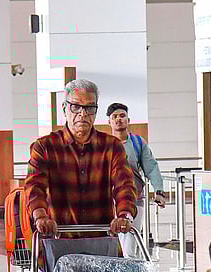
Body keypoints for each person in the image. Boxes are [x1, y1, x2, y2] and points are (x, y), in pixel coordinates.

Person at [25, 79, 138, 244]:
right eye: (76, 107)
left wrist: (124, 215)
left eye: (90, 108)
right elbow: (34, 187)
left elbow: (125, 185)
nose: (83, 114)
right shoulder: (44, 147)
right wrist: (41, 217)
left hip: (102, 242)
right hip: (58, 240)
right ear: (64, 109)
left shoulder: (112, 146)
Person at [106, 102, 167, 259]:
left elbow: (151, 167)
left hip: (135, 200)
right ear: (109, 122)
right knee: (113, 245)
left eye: (122, 116)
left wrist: (159, 191)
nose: (119, 119)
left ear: (128, 119)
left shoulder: (138, 143)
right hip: (109, 202)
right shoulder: (104, 144)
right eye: (114, 117)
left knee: (130, 246)